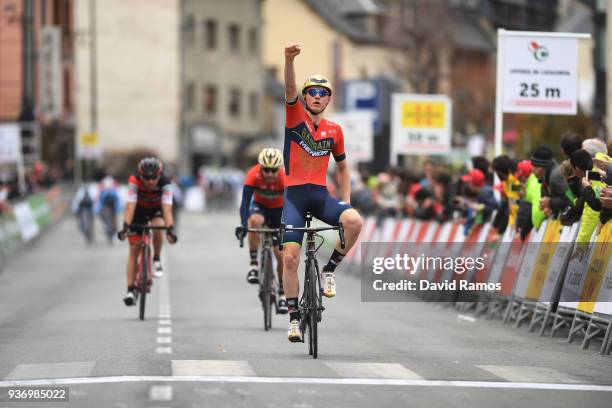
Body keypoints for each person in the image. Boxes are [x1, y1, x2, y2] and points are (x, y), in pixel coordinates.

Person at [282, 44, 363, 342]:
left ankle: (329, 270)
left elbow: (343, 168)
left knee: (354, 222)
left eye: (322, 93)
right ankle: (292, 318)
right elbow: (289, 87)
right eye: (311, 92)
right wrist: (289, 60)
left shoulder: (335, 130)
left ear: (328, 99)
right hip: (293, 197)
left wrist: (347, 201)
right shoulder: (294, 119)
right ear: (304, 98)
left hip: (320, 194)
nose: (316, 96)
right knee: (289, 258)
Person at [117, 157, 177, 306]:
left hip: (156, 210)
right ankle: (130, 289)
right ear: (140, 176)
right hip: (138, 211)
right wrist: (125, 227)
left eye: (154, 178)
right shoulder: (134, 181)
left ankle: (156, 258)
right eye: (146, 178)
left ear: (160, 175)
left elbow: (167, 209)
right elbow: (130, 206)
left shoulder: (165, 183)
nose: (150, 182)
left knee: (158, 226)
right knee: (133, 250)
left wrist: (170, 229)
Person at [235, 147, 288, 314]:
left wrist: (285, 226)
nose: (270, 174)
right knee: (254, 221)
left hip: (279, 211)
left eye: (273, 170)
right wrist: (244, 224)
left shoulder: (284, 178)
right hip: (260, 207)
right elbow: (244, 204)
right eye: (266, 170)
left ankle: (282, 295)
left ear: (278, 168)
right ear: (261, 167)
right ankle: (253, 265)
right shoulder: (253, 174)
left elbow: (290, 206)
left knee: (280, 255)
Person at [530, 147, 571, 219]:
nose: (531, 170)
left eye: (533, 166)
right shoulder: (546, 178)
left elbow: (570, 200)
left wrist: (550, 202)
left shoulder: (555, 177)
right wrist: (550, 208)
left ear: (540, 167)